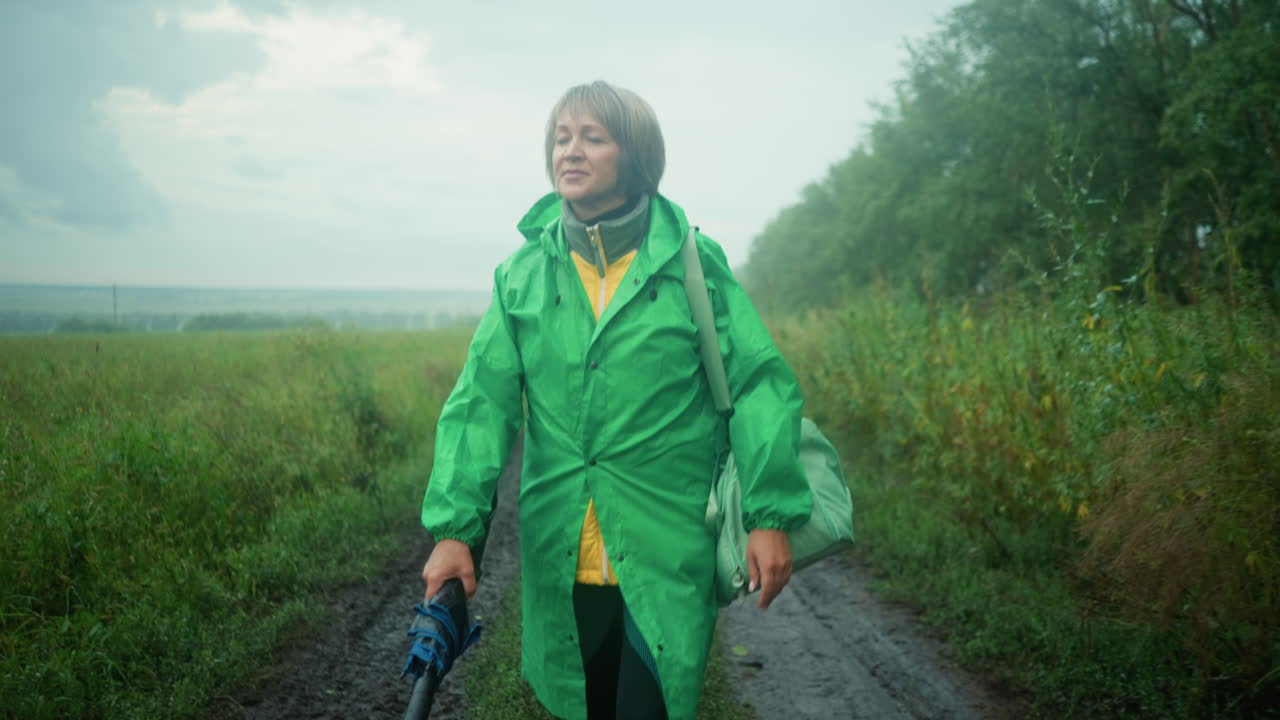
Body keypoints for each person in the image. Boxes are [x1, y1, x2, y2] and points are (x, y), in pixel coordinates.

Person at [419, 81, 812, 720]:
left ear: (634, 155)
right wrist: (455, 531)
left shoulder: (691, 263)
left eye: (592, 138)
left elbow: (758, 383)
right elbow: (478, 407)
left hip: (666, 542)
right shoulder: (522, 275)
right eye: (561, 137)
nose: (570, 152)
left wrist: (770, 514)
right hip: (562, 551)